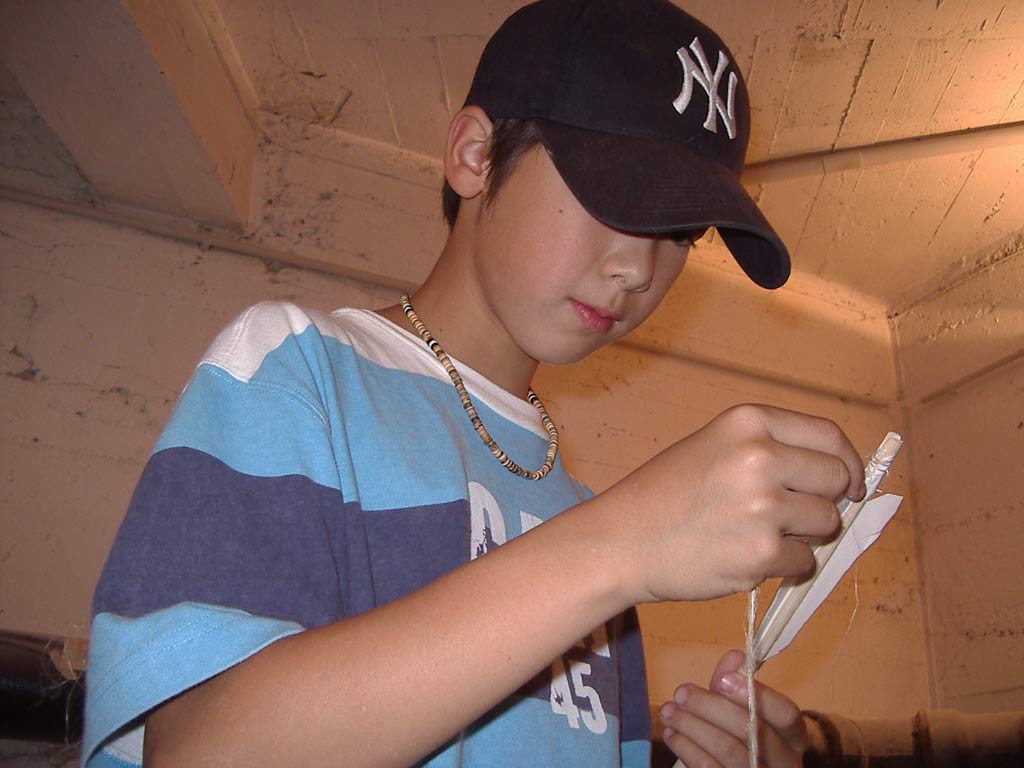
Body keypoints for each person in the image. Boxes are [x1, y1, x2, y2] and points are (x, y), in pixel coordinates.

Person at [82, 1, 866, 766]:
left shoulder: (588, 521)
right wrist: (618, 545)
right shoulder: (302, 370)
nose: (638, 267)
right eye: (616, 195)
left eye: (680, 233)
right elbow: (200, 751)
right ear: (475, 155)